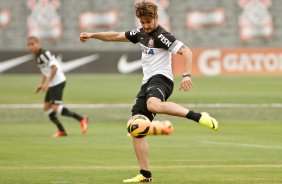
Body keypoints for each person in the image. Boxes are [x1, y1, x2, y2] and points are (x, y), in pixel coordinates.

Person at [79, 0, 219, 182]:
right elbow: (114, 36)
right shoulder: (140, 33)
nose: (145, 26)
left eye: (148, 22)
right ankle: (145, 175)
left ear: (156, 18)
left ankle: (198, 116)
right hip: (147, 83)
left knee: (153, 105)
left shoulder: (162, 35)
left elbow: (186, 51)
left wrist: (186, 75)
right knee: (136, 127)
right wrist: (92, 34)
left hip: (162, 79)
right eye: (142, 22)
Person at [27, 36, 88, 137]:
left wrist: (47, 83)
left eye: (32, 44)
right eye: (29, 45)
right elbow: (44, 71)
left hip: (58, 81)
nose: (30, 47)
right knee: (47, 107)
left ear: (38, 43)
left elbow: (54, 68)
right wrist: (42, 84)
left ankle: (81, 119)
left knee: (55, 107)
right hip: (51, 83)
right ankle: (62, 131)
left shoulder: (44, 54)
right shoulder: (37, 56)